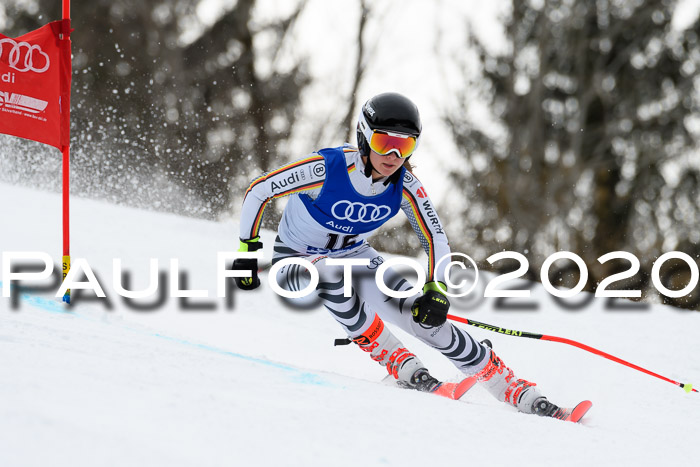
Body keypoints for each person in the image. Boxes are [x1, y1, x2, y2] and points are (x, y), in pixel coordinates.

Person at [233, 92, 561, 417]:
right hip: (295, 260)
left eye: (404, 146)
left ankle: (514, 389)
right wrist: (247, 251)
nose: (392, 155)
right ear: (363, 136)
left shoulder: (405, 186)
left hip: (354, 255)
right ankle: (397, 360)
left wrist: (436, 289)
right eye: (383, 142)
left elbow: (435, 238)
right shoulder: (327, 168)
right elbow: (259, 190)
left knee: (423, 317)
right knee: (328, 272)